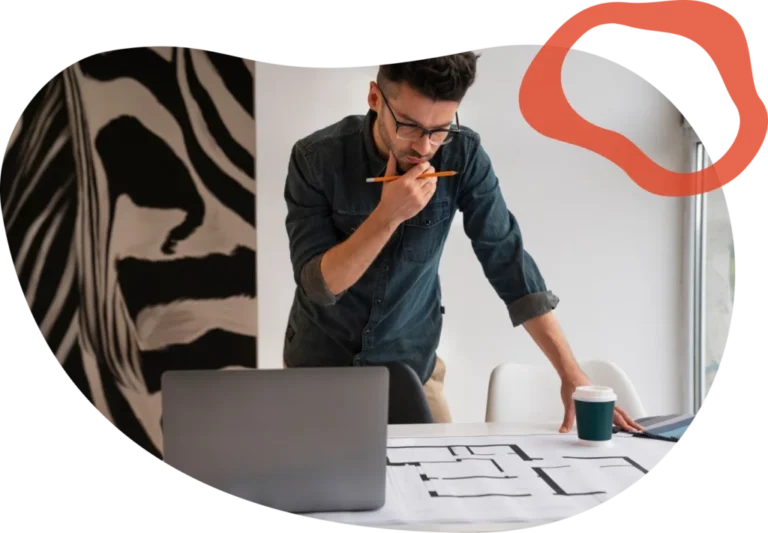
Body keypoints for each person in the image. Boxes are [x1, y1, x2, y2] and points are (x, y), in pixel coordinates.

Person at [282, 53, 643, 434]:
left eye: (439, 129)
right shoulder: (315, 159)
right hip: (319, 367)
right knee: (311, 492)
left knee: (441, 486)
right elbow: (321, 286)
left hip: (412, 368)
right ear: (374, 98)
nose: (424, 146)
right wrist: (387, 216)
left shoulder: (462, 154)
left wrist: (570, 372)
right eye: (409, 126)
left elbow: (507, 259)